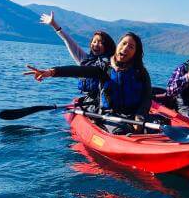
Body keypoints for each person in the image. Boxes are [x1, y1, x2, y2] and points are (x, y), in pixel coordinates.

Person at [24, 32, 152, 134]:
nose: (125, 48)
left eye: (131, 47)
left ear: (135, 53)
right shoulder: (104, 68)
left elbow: (146, 98)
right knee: (121, 131)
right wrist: (52, 72)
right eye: (123, 43)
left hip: (134, 114)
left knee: (153, 127)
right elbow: (79, 70)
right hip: (110, 115)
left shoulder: (140, 72)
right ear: (118, 45)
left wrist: (139, 117)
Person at [40, 11, 116, 102]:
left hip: (106, 101)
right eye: (94, 41)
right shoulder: (85, 59)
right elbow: (68, 40)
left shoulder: (112, 63)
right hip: (90, 101)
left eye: (100, 42)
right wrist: (54, 25)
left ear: (107, 46)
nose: (95, 44)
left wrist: (53, 72)